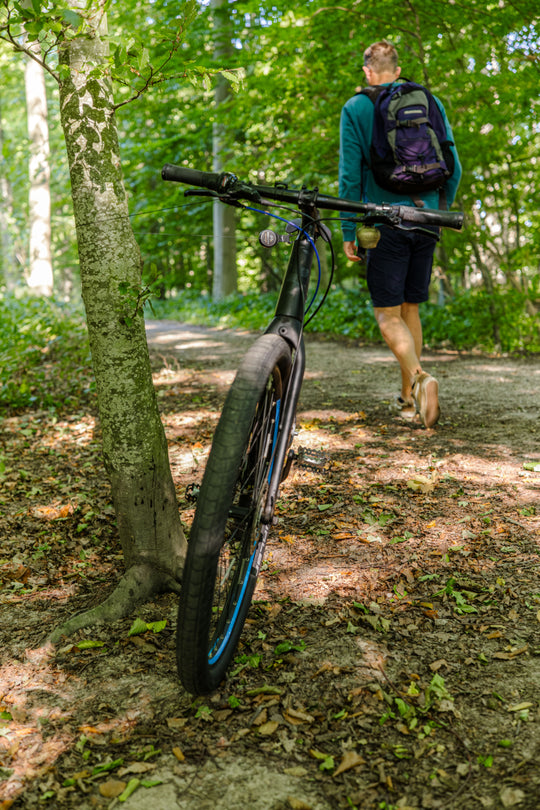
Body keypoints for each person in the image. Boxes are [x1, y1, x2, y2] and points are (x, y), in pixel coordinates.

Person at [339, 40, 461, 428]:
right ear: (398, 67)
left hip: (385, 221)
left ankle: (422, 379)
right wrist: (439, 212)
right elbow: (453, 166)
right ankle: (408, 402)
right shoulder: (431, 102)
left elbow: (350, 175)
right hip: (427, 221)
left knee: (387, 314)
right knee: (411, 309)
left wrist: (349, 229)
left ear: (367, 71)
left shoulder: (357, 107)